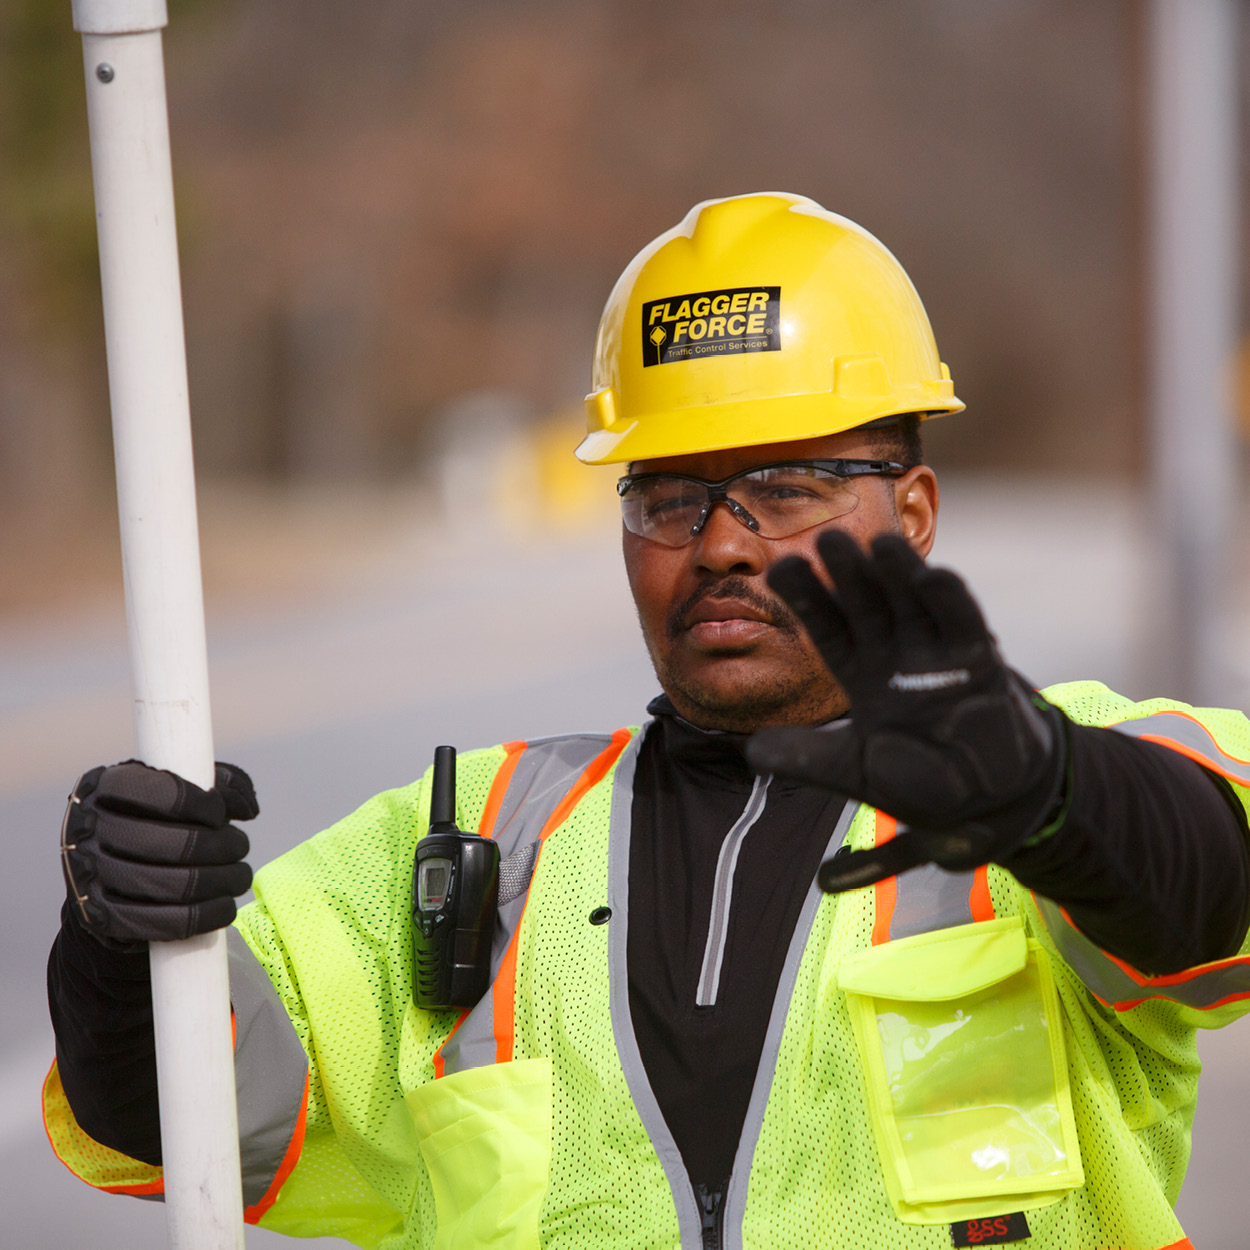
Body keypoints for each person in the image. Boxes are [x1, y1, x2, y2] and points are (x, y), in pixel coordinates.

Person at [45, 193, 1250, 1250]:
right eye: (668, 496)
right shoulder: (467, 844)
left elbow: (1209, 887)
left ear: (916, 510)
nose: (721, 542)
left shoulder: (1060, 779)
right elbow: (186, 1120)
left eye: (785, 483)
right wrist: (118, 931)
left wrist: (1046, 792)